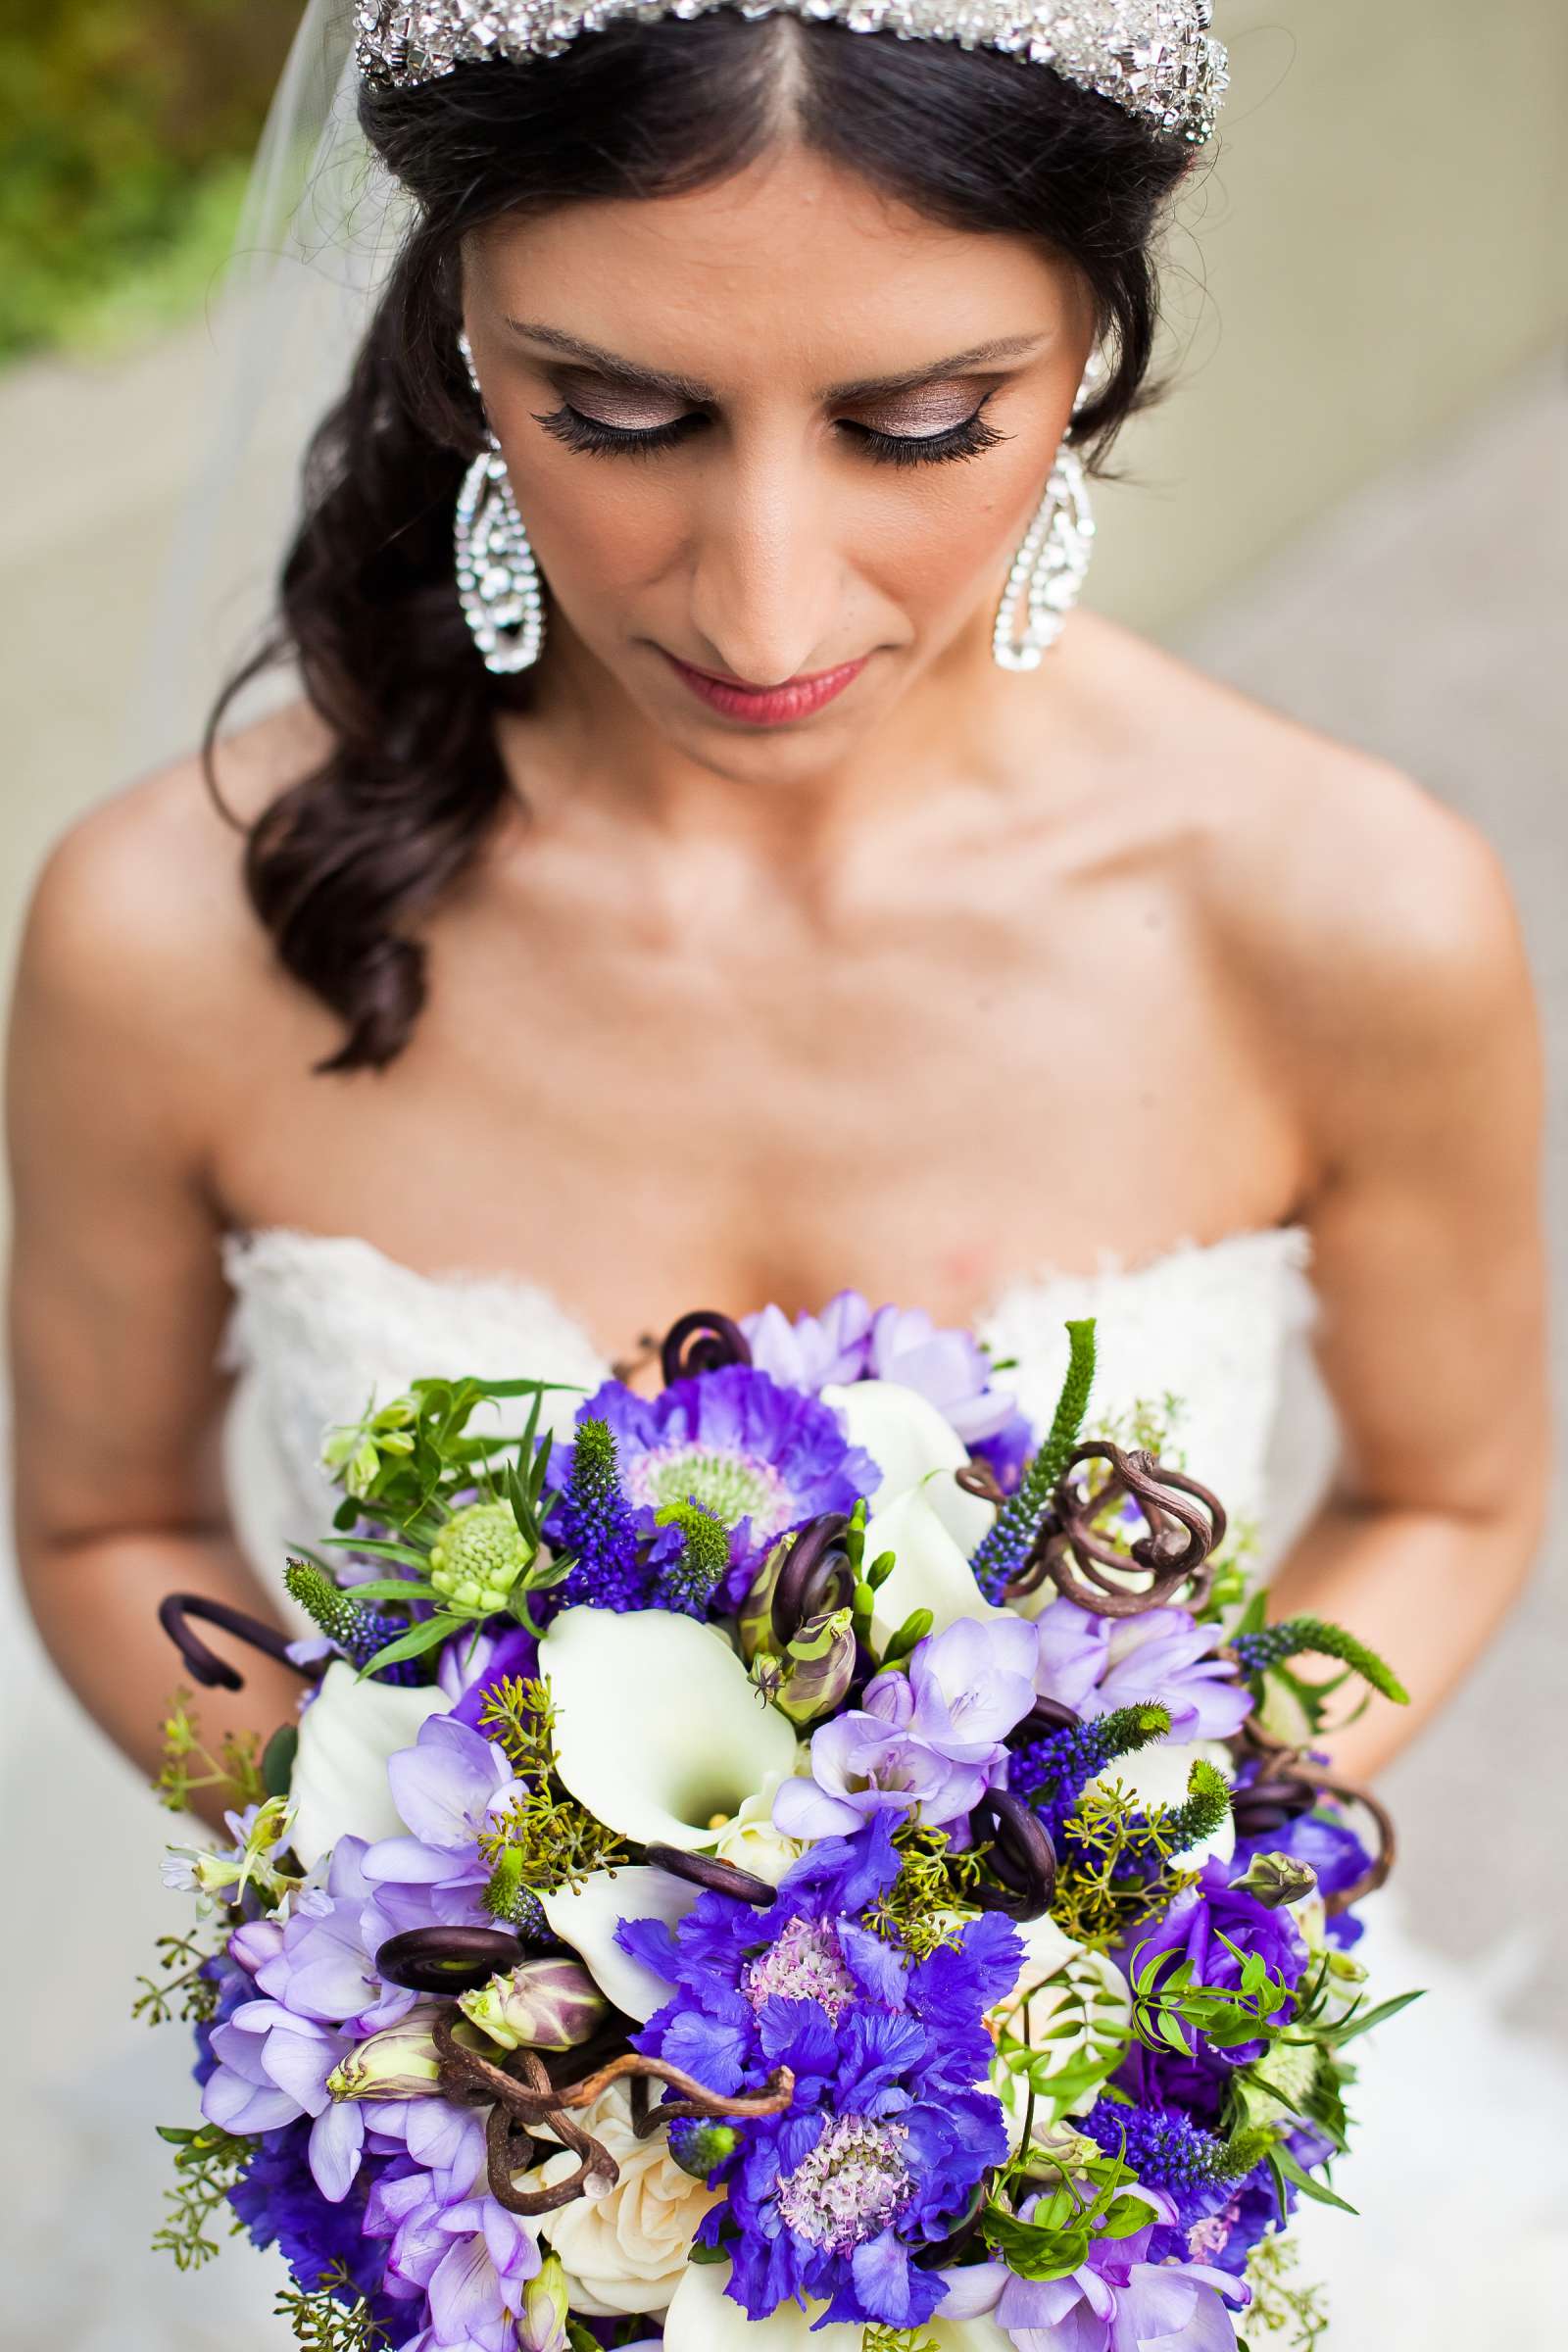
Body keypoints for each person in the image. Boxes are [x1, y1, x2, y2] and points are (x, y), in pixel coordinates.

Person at [2, 3, 1557, 2345]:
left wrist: (1073, 1904)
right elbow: (110, 1524)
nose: (760, 602)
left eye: (919, 428)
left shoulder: (1341, 910)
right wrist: (462, 1932)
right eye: (611, 415)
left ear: (1095, 356)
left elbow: (1445, 1489)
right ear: (456, 345)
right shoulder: (163, 927)